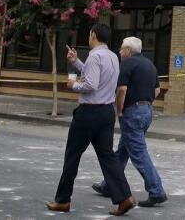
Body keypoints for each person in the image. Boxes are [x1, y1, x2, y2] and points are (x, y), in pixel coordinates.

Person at [45, 23, 135, 215]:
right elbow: (96, 75)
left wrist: (73, 85)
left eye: (89, 34)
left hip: (89, 112)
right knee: (108, 156)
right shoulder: (112, 56)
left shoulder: (95, 56)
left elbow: (91, 84)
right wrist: (77, 62)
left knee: (72, 155)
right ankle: (124, 197)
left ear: (93, 35)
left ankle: (62, 200)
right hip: (106, 112)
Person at [94, 36, 167, 207]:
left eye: (121, 48)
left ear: (128, 50)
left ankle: (156, 191)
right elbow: (157, 90)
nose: (119, 52)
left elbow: (121, 90)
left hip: (132, 112)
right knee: (122, 151)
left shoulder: (127, 63)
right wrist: (145, 103)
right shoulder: (150, 65)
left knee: (138, 152)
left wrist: (119, 111)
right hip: (147, 110)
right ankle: (109, 185)